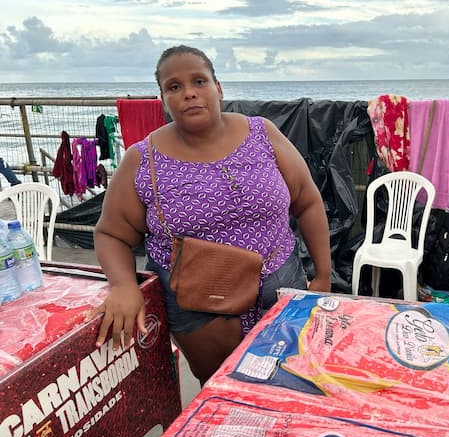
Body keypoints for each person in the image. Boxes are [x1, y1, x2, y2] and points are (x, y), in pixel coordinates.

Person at [91, 45, 332, 385]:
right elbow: (111, 234)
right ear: (163, 99)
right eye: (174, 87)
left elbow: (307, 201)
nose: (189, 93)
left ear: (218, 88)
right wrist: (123, 285)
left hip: (281, 288)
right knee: (225, 391)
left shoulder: (262, 134)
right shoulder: (142, 161)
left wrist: (322, 276)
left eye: (199, 81)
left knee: (293, 382)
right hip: (199, 305)